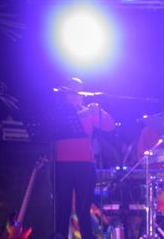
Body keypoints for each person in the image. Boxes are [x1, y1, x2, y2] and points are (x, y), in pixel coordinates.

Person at [53, 77, 116, 239]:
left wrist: (98, 110)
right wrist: (86, 112)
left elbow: (110, 125)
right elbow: (63, 122)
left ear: (83, 95)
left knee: (83, 209)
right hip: (63, 165)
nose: (75, 96)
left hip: (85, 165)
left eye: (78, 93)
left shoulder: (88, 112)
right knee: (63, 210)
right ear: (65, 95)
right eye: (71, 93)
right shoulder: (59, 111)